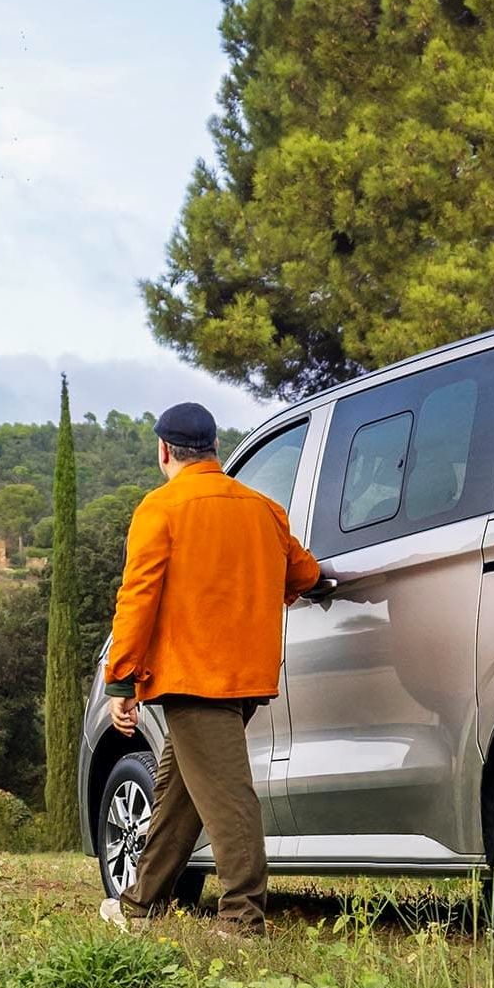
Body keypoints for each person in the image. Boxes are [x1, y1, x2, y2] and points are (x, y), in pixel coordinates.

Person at [102, 400, 330, 940]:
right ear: (214, 451)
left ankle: (242, 919)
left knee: (226, 796)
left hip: (189, 676)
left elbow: (137, 599)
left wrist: (121, 679)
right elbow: (305, 572)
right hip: (244, 677)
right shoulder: (262, 508)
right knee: (178, 792)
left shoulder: (160, 509)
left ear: (164, 451)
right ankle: (141, 904)